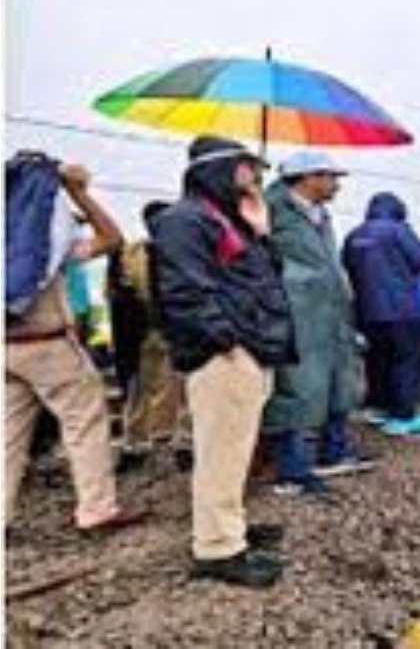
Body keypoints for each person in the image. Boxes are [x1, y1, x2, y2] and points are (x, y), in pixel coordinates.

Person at [152, 136, 295, 588]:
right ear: (221, 169)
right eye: (248, 167)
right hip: (227, 353)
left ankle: (227, 527)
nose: (256, 177)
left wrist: (261, 232)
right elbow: (183, 289)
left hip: (247, 348)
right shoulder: (184, 220)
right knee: (222, 451)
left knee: (234, 450)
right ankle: (217, 549)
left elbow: (267, 277)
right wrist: (225, 340)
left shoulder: (227, 220)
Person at [5, 154, 148, 533]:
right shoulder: (43, 247)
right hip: (47, 344)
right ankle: (96, 509)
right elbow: (112, 237)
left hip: (5, 348)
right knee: (85, 422)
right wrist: (77, 192)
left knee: (8, 436)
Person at [261, 152, 372, 496]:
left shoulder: (320, 216)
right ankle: (292, 470)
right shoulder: (272, 211)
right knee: (297, 387)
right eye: (330, 177)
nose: (336, 185)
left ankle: (333, 451)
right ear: (307, 177)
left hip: (329, 312)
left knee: (338, 382)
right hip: (296, 312)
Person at [343, 192, 420, 436]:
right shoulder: (397, 230)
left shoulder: (354, 235)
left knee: (377, 360)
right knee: (407, 360)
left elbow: (346, 268)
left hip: (367, 311)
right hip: (402, 308)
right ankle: (404, 415)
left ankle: (379, 408)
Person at [110, 201, 186, 461]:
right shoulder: (132, 253)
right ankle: (137, 440)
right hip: (142, 331)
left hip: (173, 330)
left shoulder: (182, 252)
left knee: (177, 384)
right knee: (138, 386)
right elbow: (117, 292)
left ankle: (173, 438)